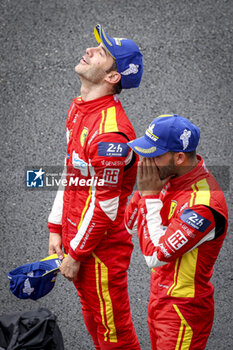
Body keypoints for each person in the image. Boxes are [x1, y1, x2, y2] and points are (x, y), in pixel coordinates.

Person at [48, 24, 143, 349]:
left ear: (112, 77)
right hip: (79, 240)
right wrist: (56, 227)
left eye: (101, 53)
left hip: (99, 252)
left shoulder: (110, 136)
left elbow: (105, 206)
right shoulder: (78, 108)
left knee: (114, 335)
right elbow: (70, 169)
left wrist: (76, 254)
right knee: (94, 319)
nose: (89, 50)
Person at [125, 114, 228, 350]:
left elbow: (155, 257)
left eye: (153, 155)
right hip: (159, 300)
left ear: (179, 157)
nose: (145, 161)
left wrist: (150, 196)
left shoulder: (204, 204)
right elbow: (126, 224)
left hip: (183, 312)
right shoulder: (168, 176)